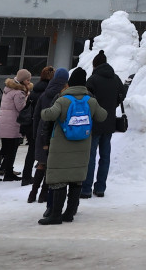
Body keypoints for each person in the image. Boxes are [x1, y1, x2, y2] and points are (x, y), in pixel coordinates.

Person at [39, 67, 105, 225]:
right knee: (76, 180)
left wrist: (44, 110)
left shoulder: (63, 100)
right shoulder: (91, 101)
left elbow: (49, 115)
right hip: (82, 145)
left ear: (70, 83)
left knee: (59, 180)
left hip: (61, 146)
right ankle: (69, 213)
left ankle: (55, 215)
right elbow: (102, 116)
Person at [82, 51, 125, 200]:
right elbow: (122, 94)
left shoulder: (93, 80)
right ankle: (100, 188)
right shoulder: (115, 78)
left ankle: (86, 189)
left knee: (90, 156)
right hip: (110, 123)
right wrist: (113, 105)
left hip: (94, 123)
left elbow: (86, 100)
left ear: (95, 65)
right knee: (105, 157)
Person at [29, 67, 68, 205]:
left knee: (41, 163)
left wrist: (35, 134)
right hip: (54, 132)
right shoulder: (64, 95)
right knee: (51, 165)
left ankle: (32, 194)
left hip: (41, 131)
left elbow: (36, 115)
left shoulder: (44, 94)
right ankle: (43, 194)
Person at [0, 68, 31, 181]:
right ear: (23, 80)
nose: (29, 82)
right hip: (12, 125)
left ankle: (3, 170)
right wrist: (28, 99)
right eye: (28, 80)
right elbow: (21, 108)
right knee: (9, 150)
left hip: (5, 124)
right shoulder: (19, 92)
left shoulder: (8, 88)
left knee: (6, 149)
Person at [21, 67, 54, 186]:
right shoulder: (50, 92)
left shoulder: (35, 89)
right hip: (42, 124)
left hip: (31, 123)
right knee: (44, 152)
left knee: (31, 151)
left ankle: (26, 176)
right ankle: (43, 179)